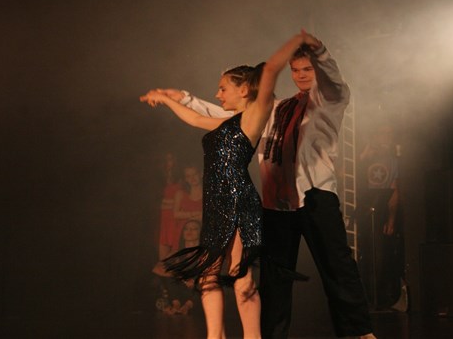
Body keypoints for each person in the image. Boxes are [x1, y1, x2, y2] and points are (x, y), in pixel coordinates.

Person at [156, 34, 376, 339]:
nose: (300, 76)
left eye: (307, 70)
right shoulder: (277, 108)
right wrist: (182, 97)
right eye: (295, 70)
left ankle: (358, 333)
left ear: (319, 72)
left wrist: (319, 51)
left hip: (316, 196)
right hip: (277, 204)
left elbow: (332, 76)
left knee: (336, 266)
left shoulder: (331, 99)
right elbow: (226, 114)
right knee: (274, 276)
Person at [140, 31, 315, 339]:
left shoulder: (254, 115)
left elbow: (271, 68)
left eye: (223, 88)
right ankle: (214, 336)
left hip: (236, 198)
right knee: (207, 276)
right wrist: (168, 98)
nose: (218, 94)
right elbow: (195, 118)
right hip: (215, 201)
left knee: (241, 275)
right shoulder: (227, 121)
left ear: (244, 89)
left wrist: (298, 40)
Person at [358, 121, 402, 310]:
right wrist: (364, 156)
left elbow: (395, 192)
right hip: (360, 211)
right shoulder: (364, 157)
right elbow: (349, 177)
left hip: (381, 212)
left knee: (380, 256)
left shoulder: (393, 162)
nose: (386, 139)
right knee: (362, 253)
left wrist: (391, 219)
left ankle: (378, 298)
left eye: (389, 135)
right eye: (382, 134)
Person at [162, 219, 202, 316]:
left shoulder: (204, 252)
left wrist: (195, 280)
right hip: (180, 287)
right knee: (168, 277)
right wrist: (183, 278)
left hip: (196, 288)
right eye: (186, 229)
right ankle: (176, 305)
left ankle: (187, 307)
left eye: (194, 229)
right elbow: (159, 269)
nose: (189, 231)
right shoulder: (177, 252)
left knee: (206, 282)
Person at [152, 152, 183, 276]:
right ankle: (166, 290)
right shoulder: (158, 180)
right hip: (163, 219)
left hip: (175, 217)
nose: (167, 163)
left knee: (175, 254)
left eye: (170, 159)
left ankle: (177, 287)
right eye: (165, 160)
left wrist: (168, 203)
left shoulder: (180, 178)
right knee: (162, 259)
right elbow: (155, 201)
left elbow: (181, 200)